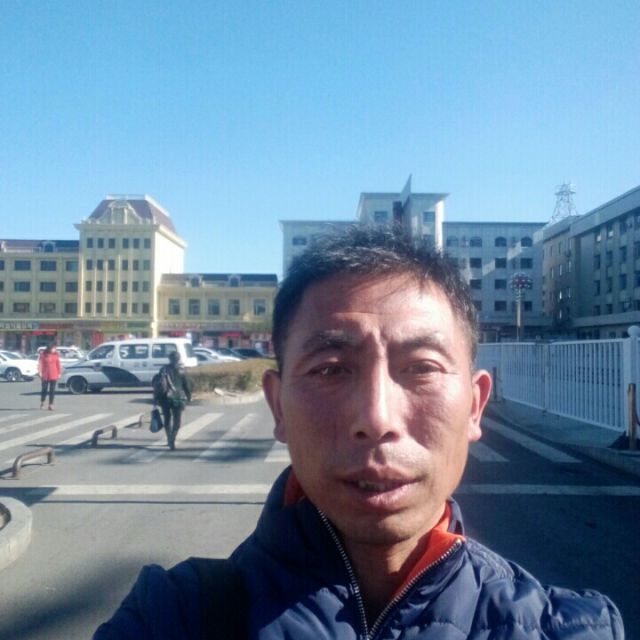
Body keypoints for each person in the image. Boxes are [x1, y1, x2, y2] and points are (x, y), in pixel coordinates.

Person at [94, 227, 624, 639]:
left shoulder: (565, 629)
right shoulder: (174, 617)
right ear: (278, 405)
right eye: (330, 369)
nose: (376, 418)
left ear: (475, 405)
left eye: (421, 368)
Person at [155, 350, 192, 450]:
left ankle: (168, 438)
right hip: (178, 398)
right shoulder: (182, 371)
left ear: (169, 359)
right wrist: (189, 396)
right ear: (179, 359)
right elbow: (186, 386)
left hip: (165, 398)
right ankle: (172, 438)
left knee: (167, 419)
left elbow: (158, 384)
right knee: (177, 421)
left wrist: (156, 397)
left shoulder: (163, 369)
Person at [37, 341, 62, 411]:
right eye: (53, 348)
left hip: (54, 374)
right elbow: (40, 363)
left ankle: (51, 404)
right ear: (49, 348)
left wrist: (59, 373)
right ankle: (42, 402)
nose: (54, 349)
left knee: (52, 390)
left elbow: (58, 364)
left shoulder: (56, 355)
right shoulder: (43, 354)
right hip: (45, 374)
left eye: (55, 348)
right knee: (44, 389)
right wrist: (40, 372)